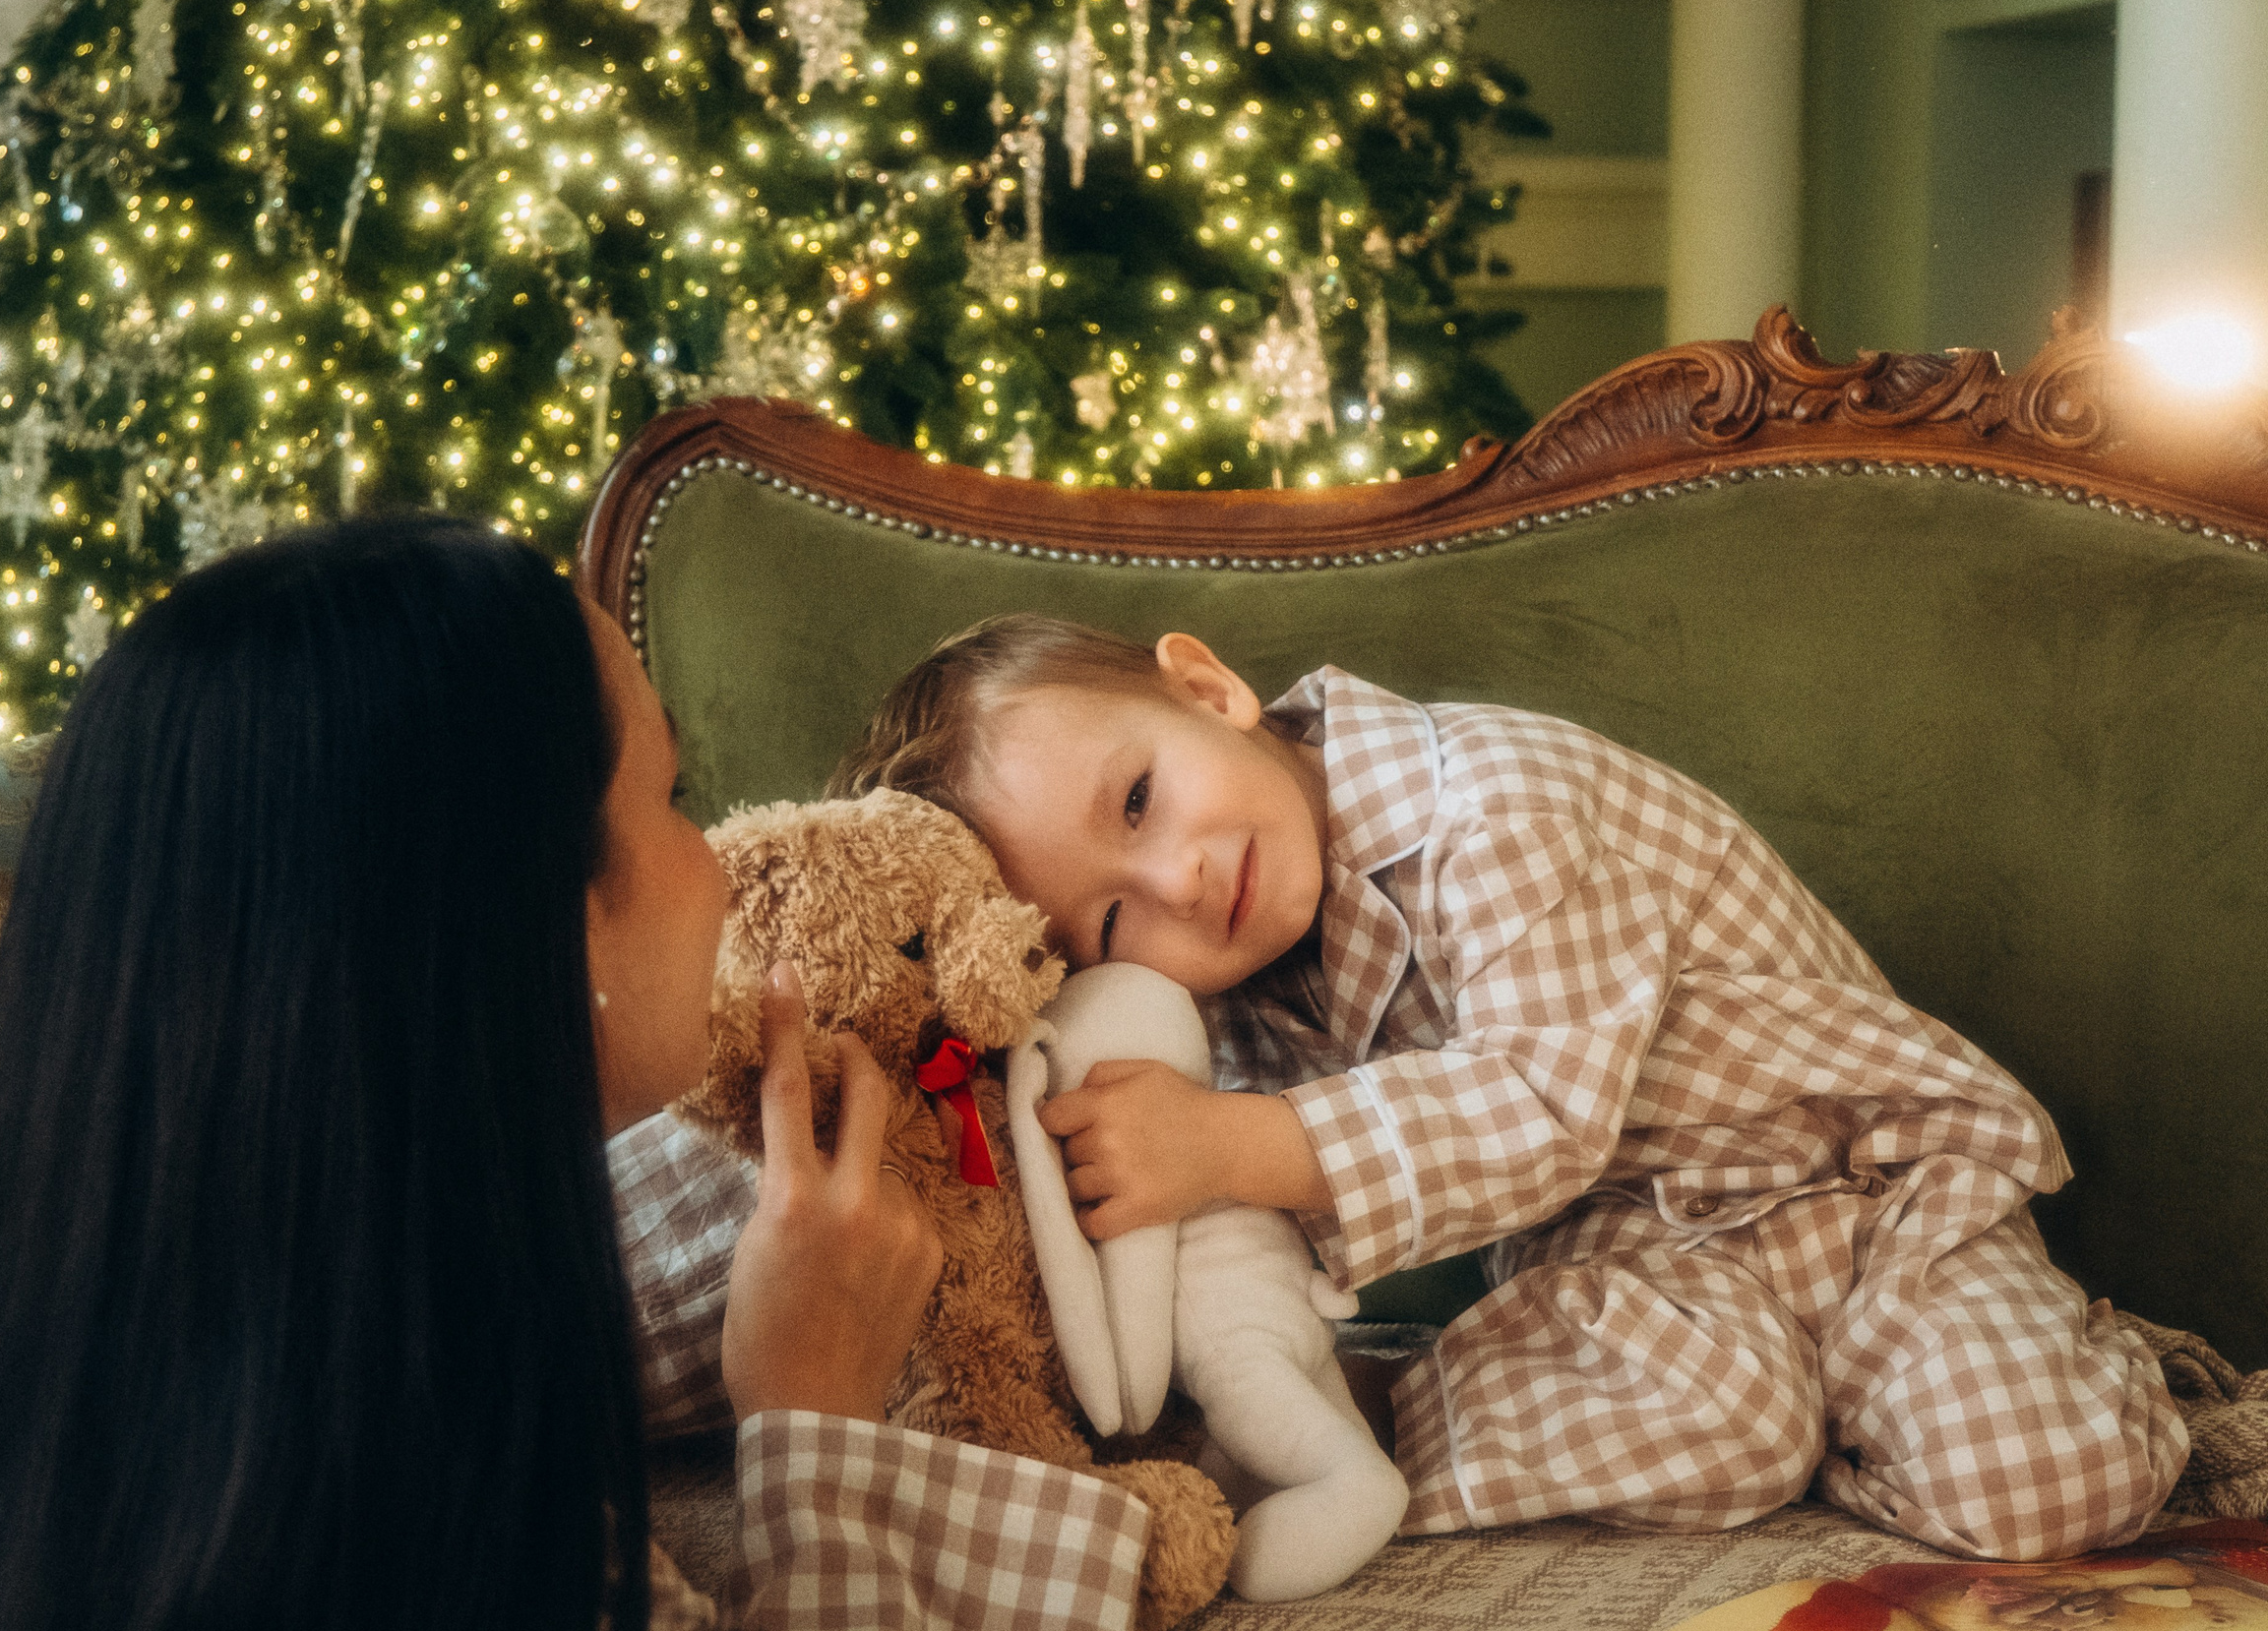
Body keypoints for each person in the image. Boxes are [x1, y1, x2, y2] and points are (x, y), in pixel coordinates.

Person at [0, 524, 1153, 1631]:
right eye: (673, 799)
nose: (718, 864)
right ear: (546, 938)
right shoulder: (437, 1531)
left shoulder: (83, 1400)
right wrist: (811, 1417)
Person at [809, 612, 2187, 1563]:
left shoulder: (1493, 805)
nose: (1175, 882)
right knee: (1729, 1417)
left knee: (2046, 1475)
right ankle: (1337, 1445)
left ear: (1208, 688)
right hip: (1631, 1246)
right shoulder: (1236, 984)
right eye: (1111, 925)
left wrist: (1233, 1141)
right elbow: (1246, 1234)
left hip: (1864, 1184)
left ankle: (2017, 1365)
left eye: (1139, 800)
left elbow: (1540, 1104)